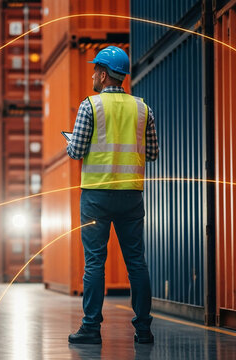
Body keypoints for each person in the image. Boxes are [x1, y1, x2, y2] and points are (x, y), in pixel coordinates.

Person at [66, 46, 159, 345]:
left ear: (104, 75)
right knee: (136, 262)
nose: (92, 74)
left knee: (95, 262)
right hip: (131, 195)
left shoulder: (89, 106)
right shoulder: (143, 108)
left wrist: (71, 143)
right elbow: (153, 153)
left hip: (96, 196)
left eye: (95, 70)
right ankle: (143, 330)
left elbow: (77, 151)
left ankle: (91, 328)